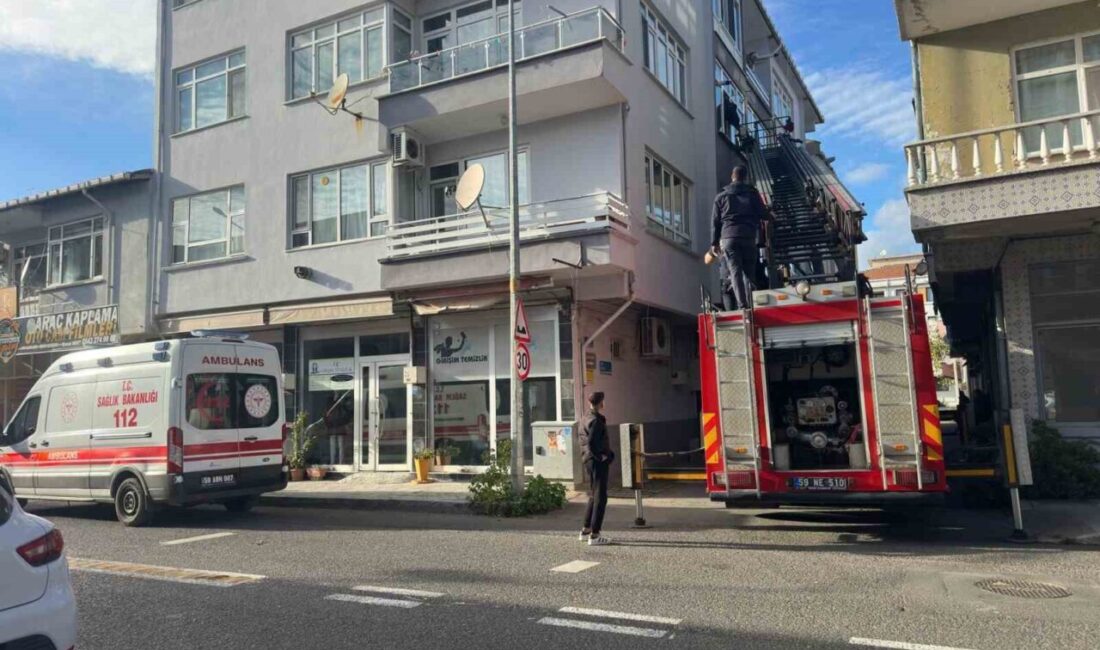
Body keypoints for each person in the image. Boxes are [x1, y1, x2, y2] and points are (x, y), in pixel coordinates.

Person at [711, 166, 769, 310]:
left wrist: (714, 243)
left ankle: (742, 306)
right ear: (745, 177)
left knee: (735, 272)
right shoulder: (752, 194)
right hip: (748, 237)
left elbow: (715, 222)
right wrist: (772, 216)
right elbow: (763, 213)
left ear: (732, 176)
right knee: (749, 274)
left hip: (728, 238)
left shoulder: (720, 197)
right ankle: (752, 304)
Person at [578, 391, 613, 546]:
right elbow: (592, 442)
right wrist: (602, 457)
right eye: (603, 401)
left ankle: (586, 529)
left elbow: (586, 442)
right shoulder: (597, 421)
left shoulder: (585, 417)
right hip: (597, 461)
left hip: (587, 460)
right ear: (600, 403)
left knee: (593, 494)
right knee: (601, 497)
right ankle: (595, 534)